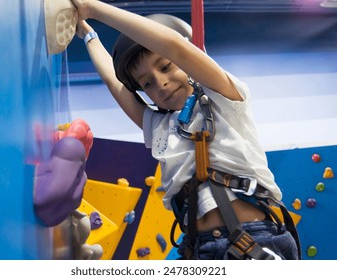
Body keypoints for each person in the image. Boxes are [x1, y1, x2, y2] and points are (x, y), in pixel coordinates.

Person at [70, 0, 300, 260]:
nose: (162, 83)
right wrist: (88, 34)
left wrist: (93, 8)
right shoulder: (160, 127)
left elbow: (175, 47)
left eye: (166, 66)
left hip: (254, 239)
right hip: (197, 249)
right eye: (148, 83)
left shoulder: (225, 99)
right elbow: (115, 83)